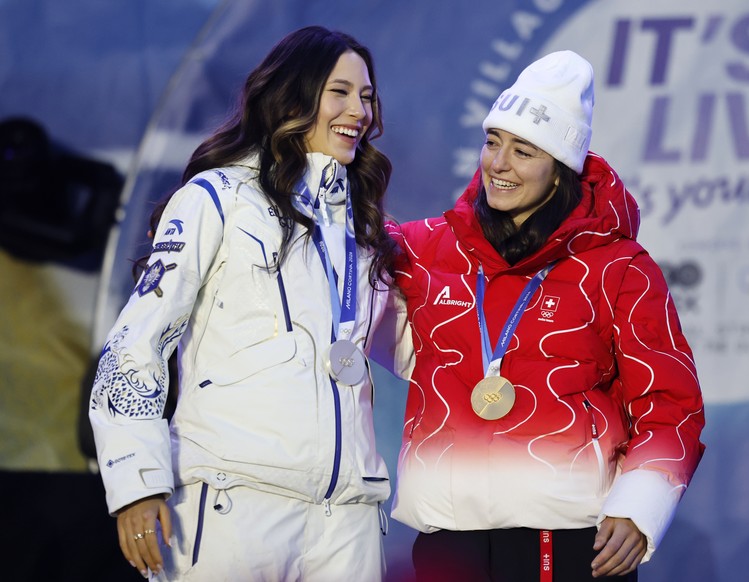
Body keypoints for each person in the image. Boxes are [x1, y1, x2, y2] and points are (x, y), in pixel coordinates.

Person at [89, 26, 411, 581]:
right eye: (339, 91)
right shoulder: (216, 199)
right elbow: (133, 349)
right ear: (293, 95)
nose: (358, 110)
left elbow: (430, 351)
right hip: (232, 506)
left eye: (365, 95)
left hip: (348, 522)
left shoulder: (364, 230)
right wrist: (136, 484)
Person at [388, 51, 705, 581]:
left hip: (567, 541)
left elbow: (671, 401)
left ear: (560, 171)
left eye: (524, 151)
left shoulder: (616, 268)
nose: (498, 164)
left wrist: (640, 505)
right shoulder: (428, 250)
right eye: (493, 143)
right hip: (446, 540)